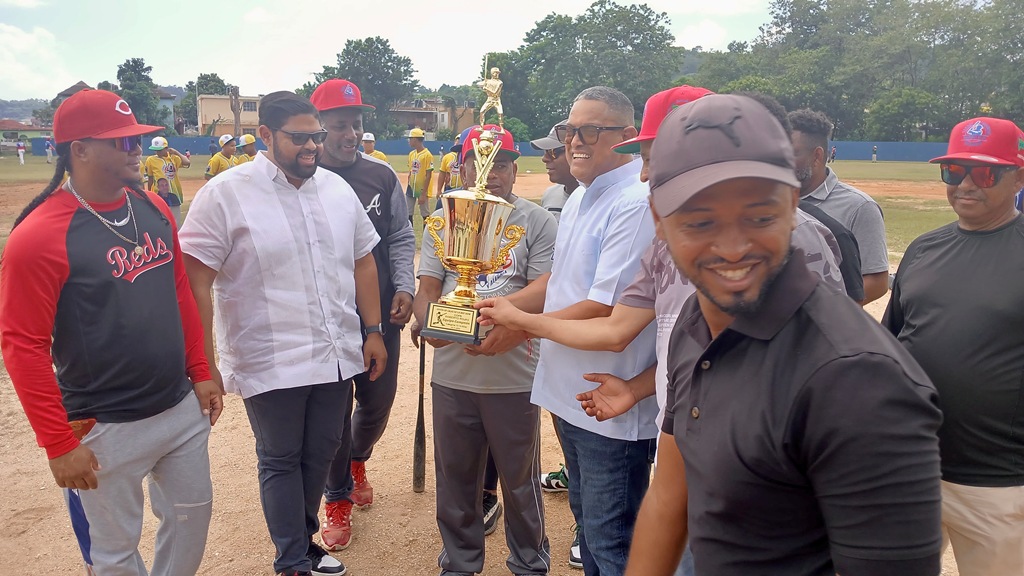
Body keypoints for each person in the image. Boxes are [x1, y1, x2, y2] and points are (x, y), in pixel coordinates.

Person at [481, 87, 846, 576]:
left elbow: (836, 367)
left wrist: (521, 323)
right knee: (639, 545)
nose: (646, 173)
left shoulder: (797, 237)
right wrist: (636, 389)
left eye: (660, 157)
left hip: (768, 456)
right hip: (680, 429)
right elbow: (675, 342)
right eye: (646, 157)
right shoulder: (664, 236)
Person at [622, 92, 944, 576]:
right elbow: (670, 491)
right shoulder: (694, 323)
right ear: (659, 223)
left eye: (760, 217)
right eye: (700, 220)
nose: (732, 249)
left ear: (793, 205)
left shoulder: (860, 382)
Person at [0, 88, 221, 575]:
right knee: (114, 556)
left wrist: (200, 370)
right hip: (102, 426)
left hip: (177, 407)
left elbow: (180, 292)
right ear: (79, 150)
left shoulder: (152, 207)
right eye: (120, 142)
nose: (136, 149)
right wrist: (58, 444)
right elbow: (23, 345)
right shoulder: (39, 236)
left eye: (136, 139)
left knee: (191, 521)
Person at [180, 91, 387, 576]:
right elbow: (195, 280)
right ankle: (291, 560)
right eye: (299, 138)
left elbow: (362, 260)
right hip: (269, 355)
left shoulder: (335, 188)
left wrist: (372, 329)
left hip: (335, 350)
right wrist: (203, 364)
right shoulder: (226, 192)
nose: (312, 146)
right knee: (280, 458)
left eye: (315, 135)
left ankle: (304, 540)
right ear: (266, 136)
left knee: (321, 451)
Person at [475, 86, 654, 575]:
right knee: (589, 525)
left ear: (628, 137)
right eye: (570, 130)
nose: (575, 141)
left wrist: (521, 323)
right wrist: (497, 306)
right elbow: (561, 281)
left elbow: (603, 306)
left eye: (591, 131)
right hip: (570, 389)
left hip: (609, 397)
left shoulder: (635, 202)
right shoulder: (579, 197)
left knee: (612, 539)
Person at [412, 124, 557, 576]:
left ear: (515, 170)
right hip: (452, 372)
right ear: (462, 165)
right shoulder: (446, 215)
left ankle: (530, 563)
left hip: (513, 370)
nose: (488, 171)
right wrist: (429, 320)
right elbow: (430, 284)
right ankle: (459, 562)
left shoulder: (535, 220)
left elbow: (547, 287)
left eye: (500, 163)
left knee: (519, 479)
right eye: (477, 160)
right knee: (455, 478)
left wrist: (500, 314)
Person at [883, 117, 1024, 576]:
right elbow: (890, 345)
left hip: (999, 483)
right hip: (913, 467)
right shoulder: (924, 249)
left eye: (985, 173)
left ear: (1019, 175)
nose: (965, 184)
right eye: (954, 171)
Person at [309, 78, 416, 552]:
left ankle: (357, 461)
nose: (350, 134)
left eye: (355, 124)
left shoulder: (381, 176)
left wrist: (407, 286)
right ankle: (337, 499)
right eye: (339, 126)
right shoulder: (304, 178)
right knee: (333, 412)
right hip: (325, 316)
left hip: (381, 312)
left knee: (377, 403)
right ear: (318, 128)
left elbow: (400, 235)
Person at [789, 108, 889, 304]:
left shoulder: (859, 207)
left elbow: (877, 281)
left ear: (817, 156)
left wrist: (827, 312)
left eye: (790, 154)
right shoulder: (771, 204)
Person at [529, 121, 580, 223]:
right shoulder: (550, 194)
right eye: (545, 152)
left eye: (553, 152)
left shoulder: (603, 200)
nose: (544, 159)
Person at [144, 136, 190, 227]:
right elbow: (150, 179)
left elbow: (187, 162)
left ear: (166, 149)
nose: (157, 152)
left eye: (160, 150)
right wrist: (149, 194)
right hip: (158, 194)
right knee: (160, 222)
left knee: (175, 223)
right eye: (155, 150)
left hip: (174, 194)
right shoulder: (151, 160)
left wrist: (176, 152)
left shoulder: (174, 158)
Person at [406, 127, 433, 225]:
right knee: (408, 213)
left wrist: (423, 194)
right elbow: (411, 171)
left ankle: (427, 236)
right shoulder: (411, 154)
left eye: (410, 139)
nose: (409, 141)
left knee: (425, 214)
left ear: (415, 139)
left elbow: (428, 175)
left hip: (422, 189)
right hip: (411, 187)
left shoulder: (427, 155)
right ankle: (409, 236)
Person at [436, 134, 464, 200]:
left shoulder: (468, 157)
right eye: (457, 140)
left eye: (460, 140)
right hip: (449, 188)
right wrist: (439, 190)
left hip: (463, 190)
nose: (458, 141)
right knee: (443, 208)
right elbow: (442, 174)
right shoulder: (447, 157)